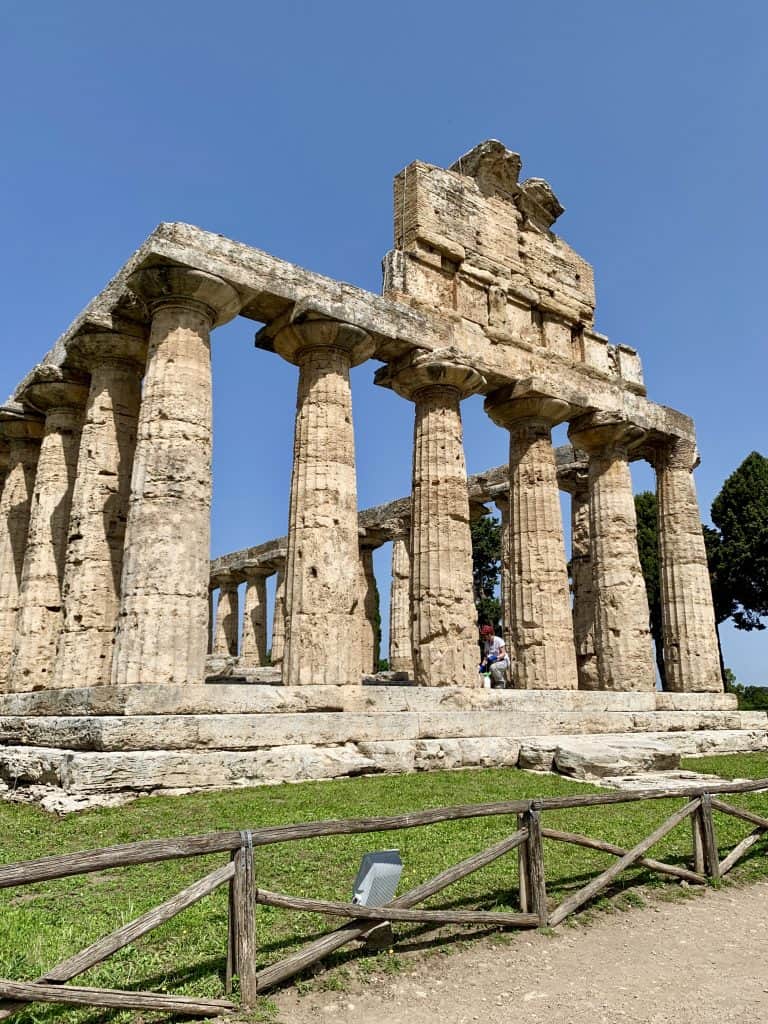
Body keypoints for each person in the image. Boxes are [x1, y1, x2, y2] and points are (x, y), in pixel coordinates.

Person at [479, 624, 510, 688]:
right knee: (489, 672)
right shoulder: (486, 643)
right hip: (495, 663)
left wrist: (496, 657)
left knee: (493, 667)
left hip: (504, 661)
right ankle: (496, 684)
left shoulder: (499, 640)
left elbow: (503, 653)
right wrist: (482, 666)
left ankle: (501, 682)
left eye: (485, 635)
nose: (484, 637)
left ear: (489, 634)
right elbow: (486, 657)